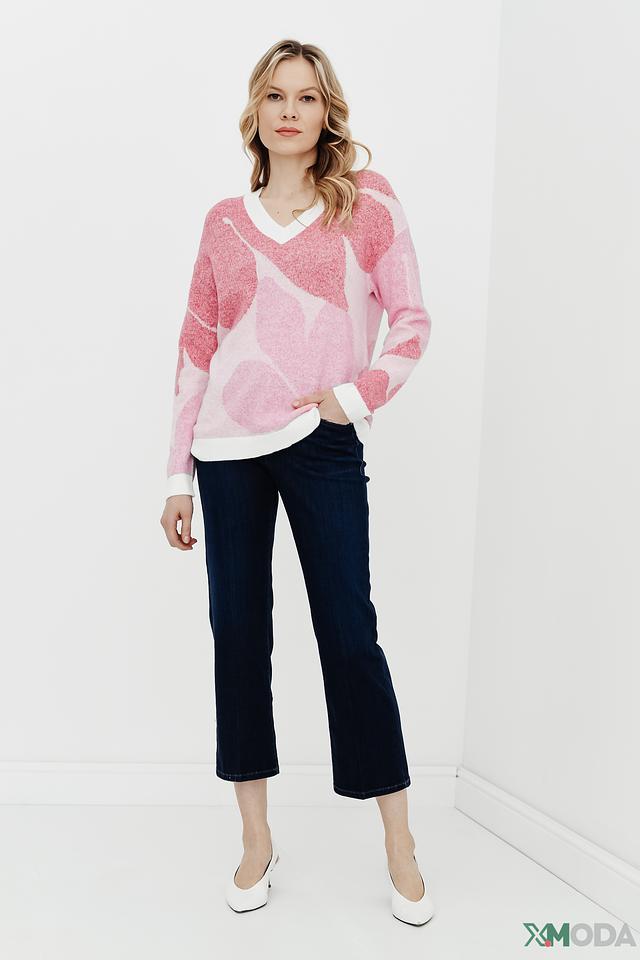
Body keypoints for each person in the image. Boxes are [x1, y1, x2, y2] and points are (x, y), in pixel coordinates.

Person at [160, 38, 435, 926]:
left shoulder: (366, 202)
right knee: (238, 636)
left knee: (350, 635)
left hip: (322, 439)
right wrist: (175, 474)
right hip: (226, 452)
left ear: (327, 113)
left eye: (307, 97)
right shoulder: (223, 222)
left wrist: (355, 396)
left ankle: (400, 840)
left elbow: (412, 319)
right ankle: (255, 838)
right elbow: (196, 344)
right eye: (276, 96)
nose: (290, 110)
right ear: (256, 111)